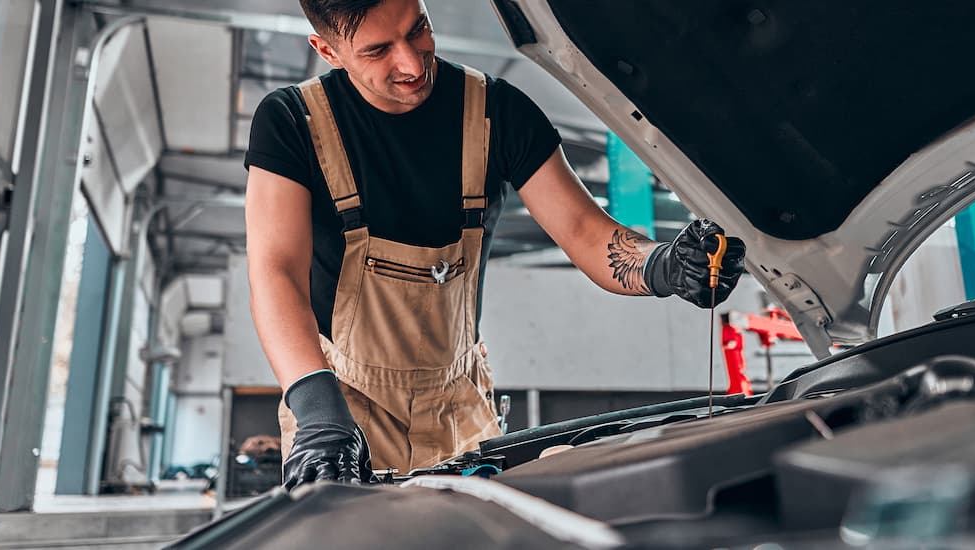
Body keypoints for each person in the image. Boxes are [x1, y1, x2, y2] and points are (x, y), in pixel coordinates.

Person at [243, 0, 747, 489]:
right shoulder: (292, 122)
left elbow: (584, 231)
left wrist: (664, 265)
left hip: (459, 405)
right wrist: (317, 411)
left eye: (418, 28)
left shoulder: (496, 112)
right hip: (343, 401)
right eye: (378, 51)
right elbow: (277, 271)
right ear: (327, 50)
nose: (412, 62)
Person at [720, 312, 753, 397]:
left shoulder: (733, 330)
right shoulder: (728, 330)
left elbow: (735, 344)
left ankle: (741, 391)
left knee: (739, 372)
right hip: (733, 357)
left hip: (736, 357)